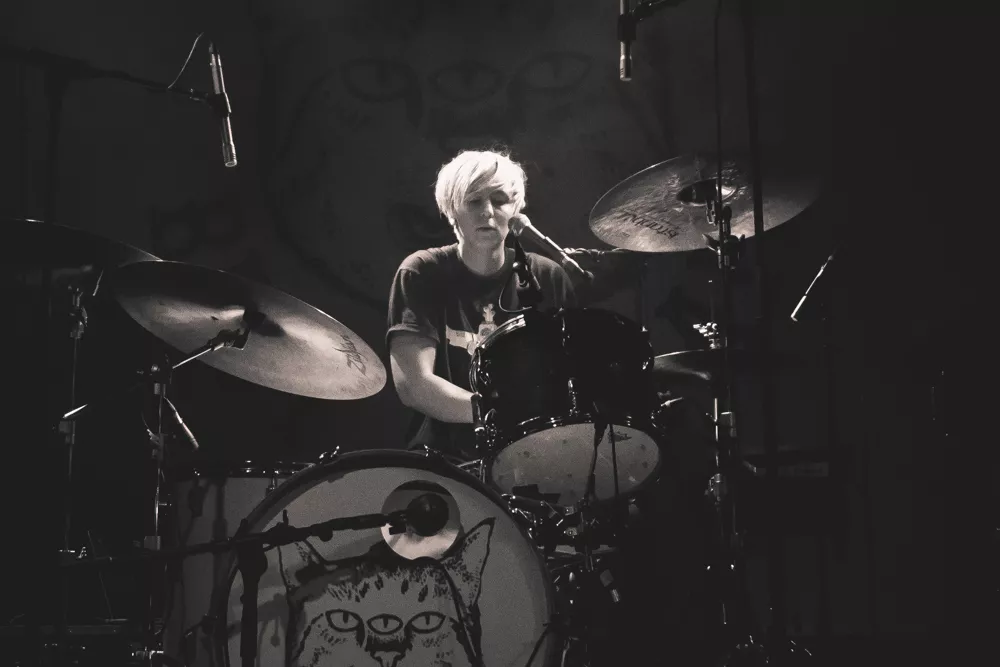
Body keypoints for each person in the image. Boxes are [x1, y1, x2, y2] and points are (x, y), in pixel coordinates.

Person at [386, 149, 576, 459]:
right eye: (474, 201)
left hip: (538, 455)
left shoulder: (546, 276)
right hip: (445, 461)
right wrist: (498, 414)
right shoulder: (420, 272)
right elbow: (413, 385)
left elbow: (571, 378)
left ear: (516, 211)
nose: (487, 211)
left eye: (499, 200)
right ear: (452, 210)